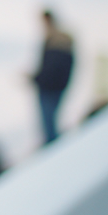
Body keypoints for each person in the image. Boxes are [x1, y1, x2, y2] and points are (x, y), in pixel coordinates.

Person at [31, 9, 75, 145]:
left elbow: (51, 69)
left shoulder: (57, 40)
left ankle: (53, 151)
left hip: (50, 89)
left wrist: (37, 79)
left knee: (49, 125)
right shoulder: (56, 39)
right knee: (49, 123)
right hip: (52, 87)